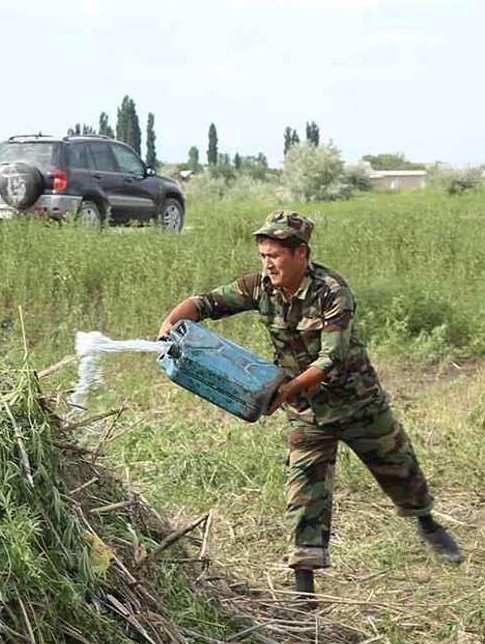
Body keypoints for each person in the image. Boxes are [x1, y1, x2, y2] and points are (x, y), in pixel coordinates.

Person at [157, 209, 462, 595]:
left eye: (276, 256)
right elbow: (203, 304)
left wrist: (283, 391)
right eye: (263, 256)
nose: (268, 264)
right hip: (308, 414)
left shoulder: (333, 292)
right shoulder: (259, 288)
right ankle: (305, 591)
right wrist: (170, 326)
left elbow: (330, 358)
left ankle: (427, 524)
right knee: (305, 493)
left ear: (301, 253)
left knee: (400, 468)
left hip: (358, 403)